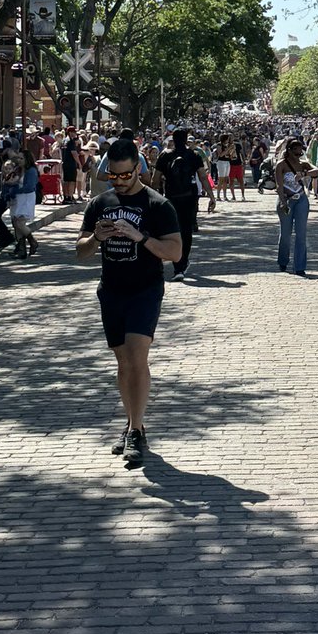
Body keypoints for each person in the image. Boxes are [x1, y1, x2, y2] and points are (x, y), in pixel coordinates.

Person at [77, 138, 182, 467]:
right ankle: (132, 423)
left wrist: (141, 237)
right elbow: (80, 251)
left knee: (138, 358)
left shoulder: (158, 205)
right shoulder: (100, 204)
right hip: (111, 290)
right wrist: (97, 237)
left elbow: (175, 253)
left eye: (125, 175)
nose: (119, 182)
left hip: (145, 290)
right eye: (114, 176)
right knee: (123, 364)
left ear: (138, 168)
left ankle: (135, 431)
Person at [152, 128, 215, 281]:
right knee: (186, 231)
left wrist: (154, 198)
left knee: (172, 230)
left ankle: (177, 264)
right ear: (187, 139)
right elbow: (203, 177)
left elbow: (155, 179)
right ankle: (182, 261)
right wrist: (212, 197)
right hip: (189, 198)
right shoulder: (193, 155)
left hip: (171, 197)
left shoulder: (165, 155)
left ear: (172, 139)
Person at [274, 138, 318, 276]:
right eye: (296, 152)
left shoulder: (303, 164)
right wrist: (283, 202)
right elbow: (279, 185)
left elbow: (317, 171)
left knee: (301, 234)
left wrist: (305, 174)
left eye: (300, 153)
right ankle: (283, 261)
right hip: (286, 200)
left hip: (301, 200)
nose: (298, 156)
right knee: (286, 235)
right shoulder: (281, 165)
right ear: (288, 151)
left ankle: (299, 266)